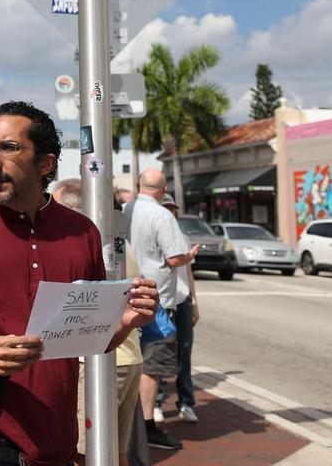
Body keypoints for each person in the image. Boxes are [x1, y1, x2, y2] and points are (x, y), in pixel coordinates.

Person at [0, 101, 159, 466]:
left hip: (52, 443)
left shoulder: (81, 232)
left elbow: (88, 339)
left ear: (46, 163)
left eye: (7, 147)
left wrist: (125, 322)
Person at [52, 179, 144, 466]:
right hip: (127, 358)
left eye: (57, 209)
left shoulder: (91, 245)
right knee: (114, 452)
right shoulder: (116, 241)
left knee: (85, 453)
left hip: (99, 361)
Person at [126, 170, 198, 451]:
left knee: (131, 359)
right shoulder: (162, 215)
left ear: (138, 186)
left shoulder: (124, 210)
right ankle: (146, 426)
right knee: (152, 365)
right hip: (156, 300)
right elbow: (174, 257)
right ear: (164, 189)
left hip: (126, 294)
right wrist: (188, 256)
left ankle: (132, 424)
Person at [157, 193, 199, 426]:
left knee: (184, 354)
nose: (170, 213)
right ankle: (156, 403)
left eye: (172, 209)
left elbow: (188, 272)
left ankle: (186, 403)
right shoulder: (155, 231)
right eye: (166, 208)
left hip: (182, 300)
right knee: (159, 354)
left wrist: (194, 301)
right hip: (164, 301)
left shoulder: (181, 235)